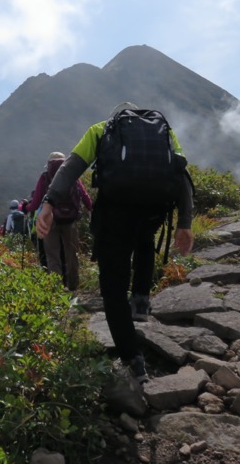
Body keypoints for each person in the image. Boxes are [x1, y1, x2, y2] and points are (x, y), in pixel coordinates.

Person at [36, 103, 194, 383]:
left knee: (113, 286)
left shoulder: (101, 130)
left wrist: (48, 202)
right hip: (153, 212)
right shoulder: (164, 133)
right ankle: (142, 303)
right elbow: (181, 175)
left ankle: (133, 359)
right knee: (145, 243)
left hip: (114, 215)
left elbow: (71, 168)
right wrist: (185, 222)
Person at [24, 152, 92, 291]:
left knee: (52, 255)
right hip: (70, 220)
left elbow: (36, 202)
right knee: (72, 254)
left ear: (49, 163)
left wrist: (26, 208)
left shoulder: (45, 177)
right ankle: (73, 287)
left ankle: (56, 290)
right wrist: (91, 208)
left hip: (51, 220)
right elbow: (84, 196)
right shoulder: (71, 174)